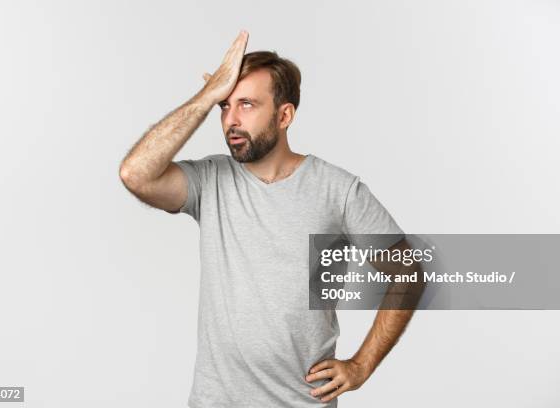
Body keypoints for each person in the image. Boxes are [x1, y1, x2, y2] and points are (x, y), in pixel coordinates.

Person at [119, 30, 419, 408]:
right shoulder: (210, 180)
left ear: (284, 115)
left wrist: (361, 365)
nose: (231, 120)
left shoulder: (338, 190)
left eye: (246, 104)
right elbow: (136, 174)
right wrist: (207, 95)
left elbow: (409, 272)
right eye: (224, 107)